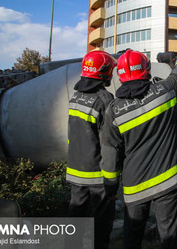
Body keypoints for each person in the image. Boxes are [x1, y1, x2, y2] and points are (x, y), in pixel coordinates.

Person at [100, 49, 177, 249]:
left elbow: (110, 152)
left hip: (135, 187)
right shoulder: (166, 91)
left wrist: (111, 186)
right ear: (146, 70)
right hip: (167, 180)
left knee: (132, 238)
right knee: (169, 236)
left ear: (120, 75)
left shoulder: (114, 111)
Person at [66, 50, 116, 249]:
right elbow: (109, 142)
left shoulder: (75, 97)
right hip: (97, 174)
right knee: (102, 222)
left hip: (75, 169)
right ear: (104, 72)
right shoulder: (104, 100)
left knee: (76, 215)